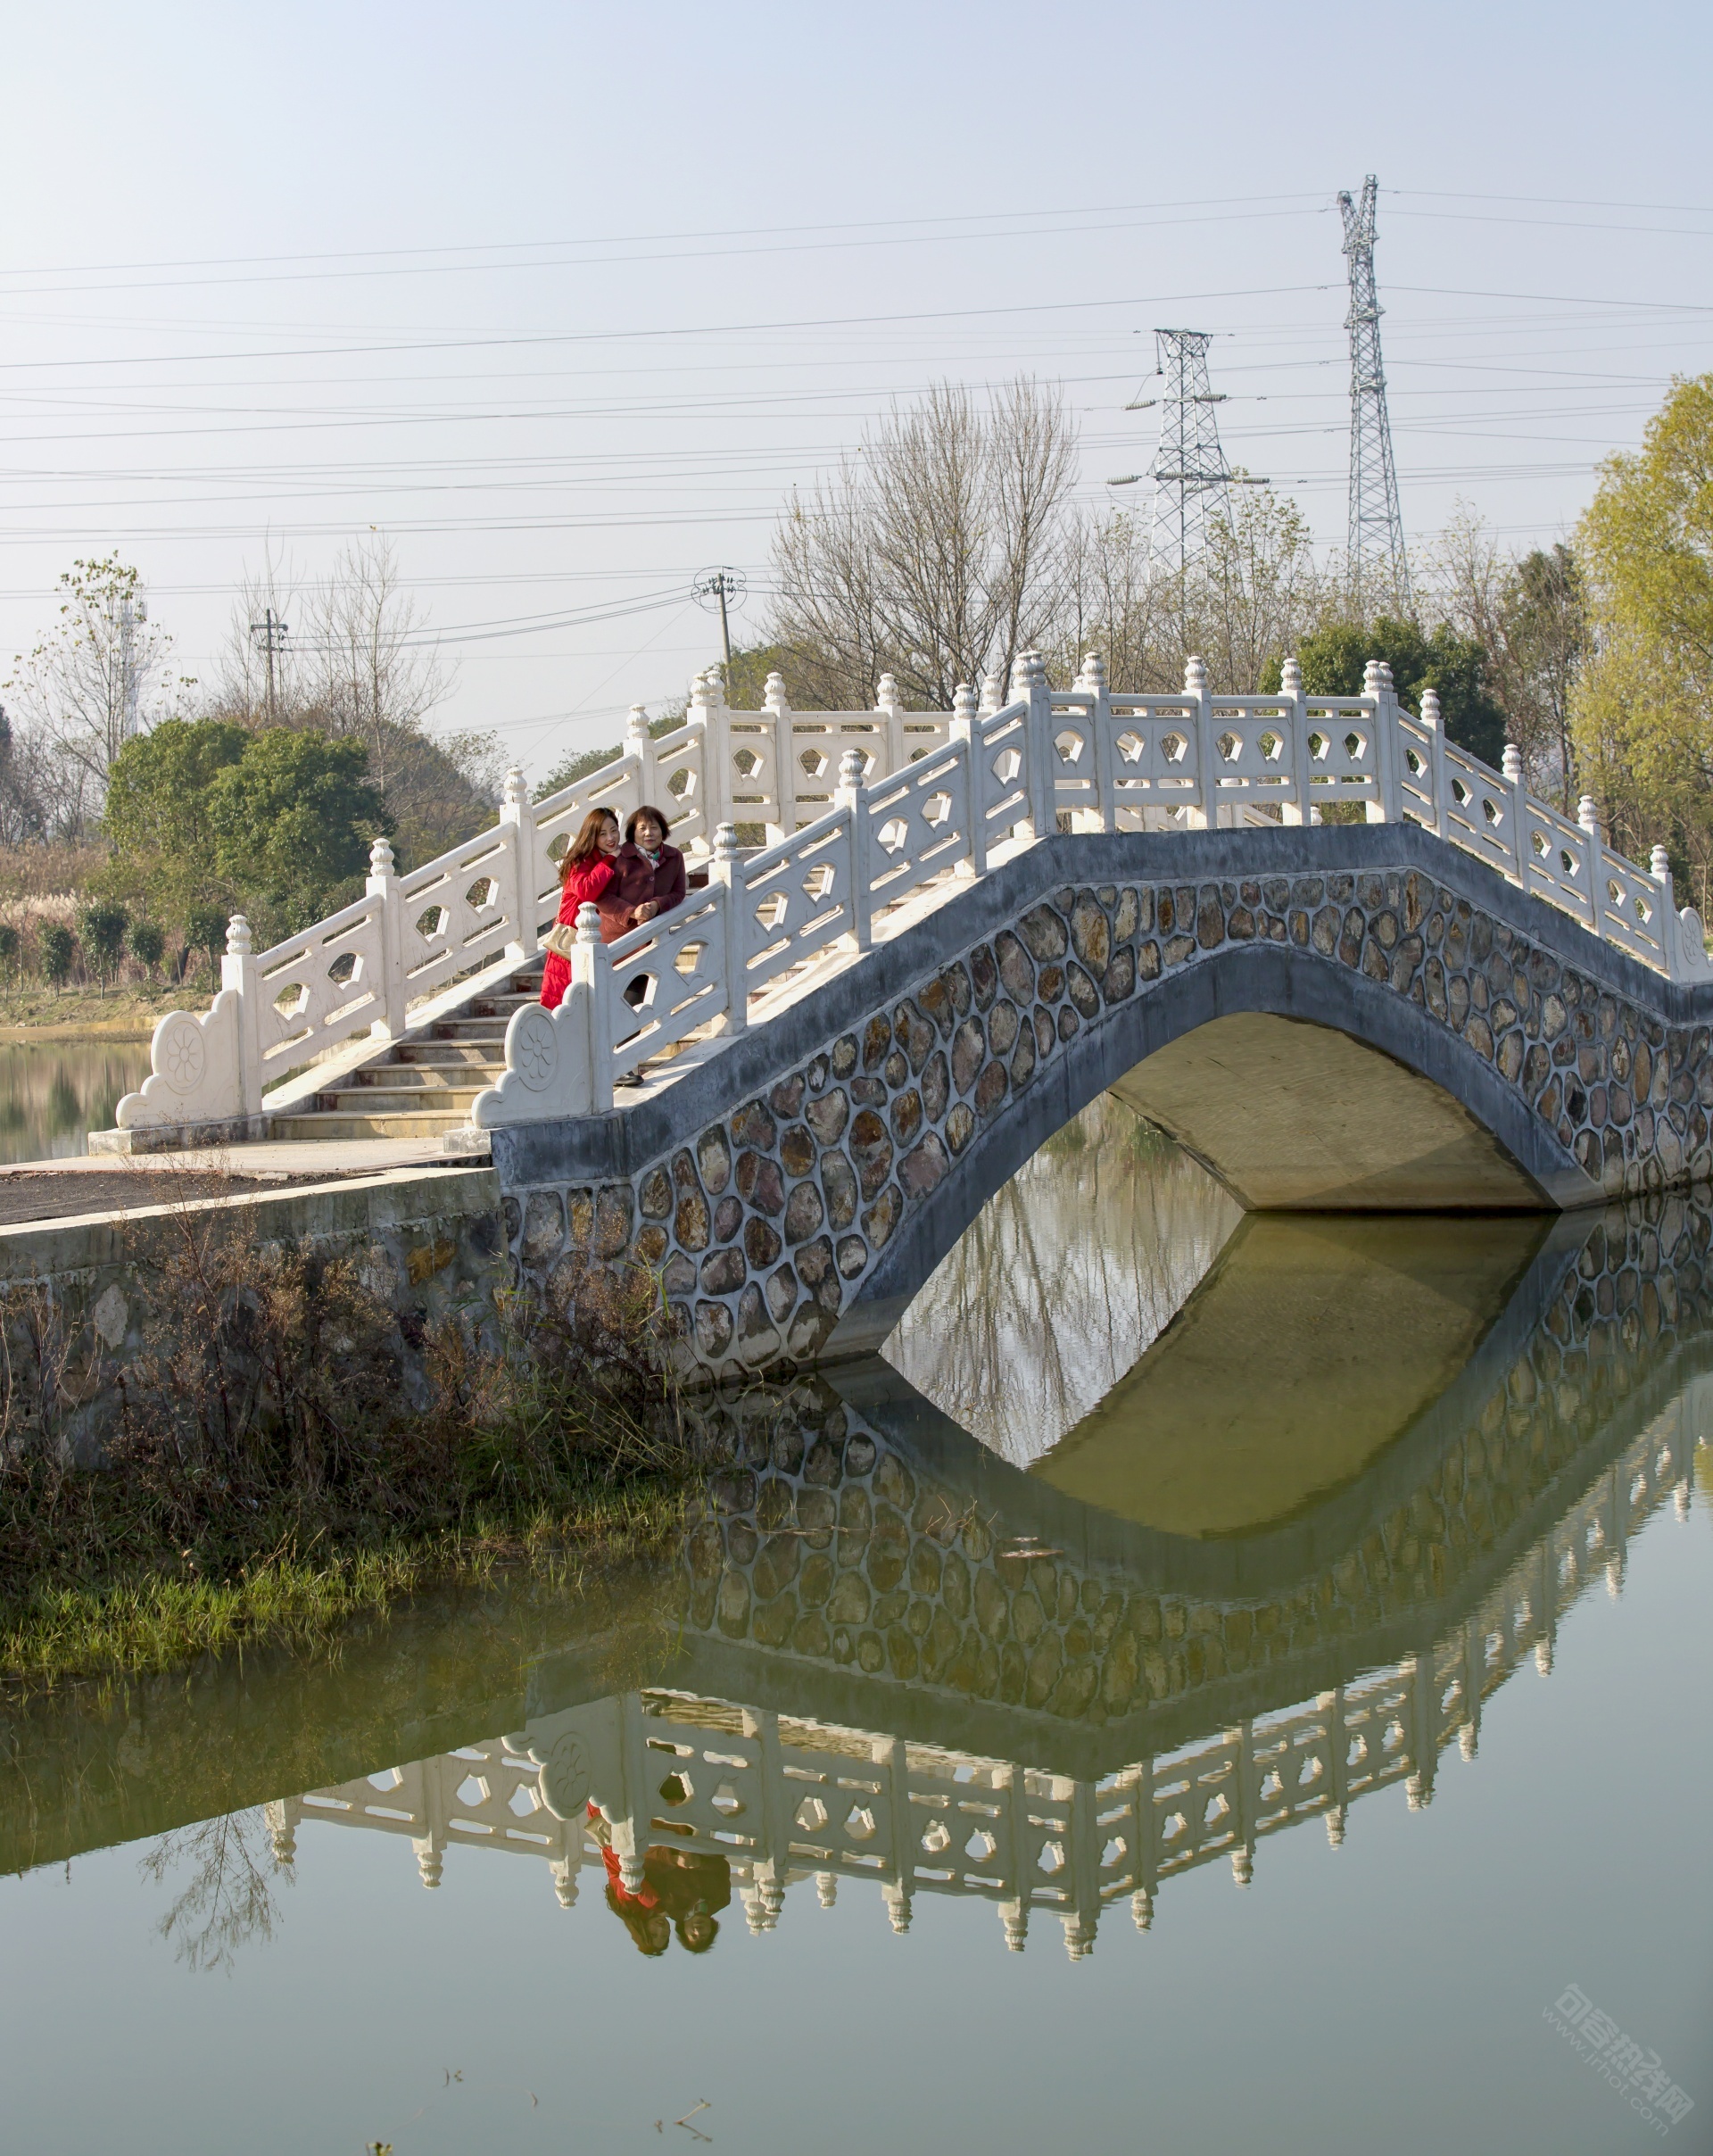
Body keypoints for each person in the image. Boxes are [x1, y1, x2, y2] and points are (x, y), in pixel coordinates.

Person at [539, 808, 621, 1012]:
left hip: (595, 935)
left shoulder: (612, 856)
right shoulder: (579, 861)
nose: (610, 838)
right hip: (572, 936)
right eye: (602, 834)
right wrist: (610, 860)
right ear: (592, 835)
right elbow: (587, 891)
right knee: (563, 1002)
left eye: (614, 830)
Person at [596, 803, 687, 945]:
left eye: (654, 828)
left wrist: (657, 905)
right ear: (633, 832)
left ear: (663, 831)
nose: (648, 833)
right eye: (642, 828)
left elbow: (679, 892)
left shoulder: (674, 856)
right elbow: (603, 898)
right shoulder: (618, 857)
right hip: (617, 939)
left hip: (655, 937)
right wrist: (632, 912)